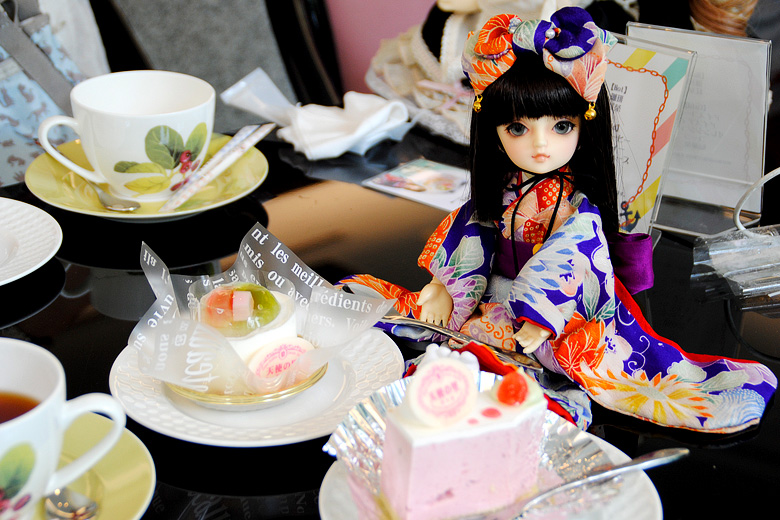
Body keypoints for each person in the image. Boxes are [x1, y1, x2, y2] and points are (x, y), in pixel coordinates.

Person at [342, 7, 777, 434]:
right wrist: (442, 286)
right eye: (517, 129)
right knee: (412, 331)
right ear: (493, 130)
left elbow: (574, 254)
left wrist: (541, 318)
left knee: (548, 369)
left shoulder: (576, 208)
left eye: (561, 127)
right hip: (490, 294)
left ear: (585, 124)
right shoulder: (502, 191)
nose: (540, 146)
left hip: (558, 308)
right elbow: (471, 229)